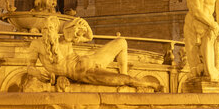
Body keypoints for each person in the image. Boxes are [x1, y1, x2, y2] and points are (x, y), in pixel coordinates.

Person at [26, 16, 161, 90]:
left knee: (121, 42)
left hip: (89, 61)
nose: (46, 31)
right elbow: (29, 67)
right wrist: (37, 73)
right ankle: (151, 85)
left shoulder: (64, 40)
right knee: (124, 80)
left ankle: (126, 77)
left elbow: (89, 37)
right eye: (44, 28)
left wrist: (85, 24)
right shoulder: (36, 45)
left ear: (55, 29)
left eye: (50, 28)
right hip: (86, 73)